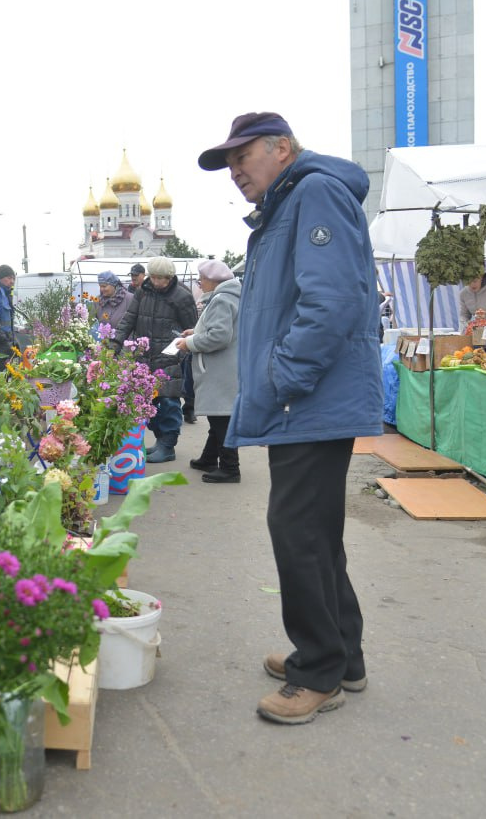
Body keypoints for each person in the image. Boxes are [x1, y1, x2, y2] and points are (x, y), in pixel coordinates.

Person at [199, 111, 382, 725]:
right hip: (307, 399)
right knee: (316, 533)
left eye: (242, 157)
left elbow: (330, 300)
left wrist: (285, 378)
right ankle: (342, 657)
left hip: (309, 398)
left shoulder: (315, 191)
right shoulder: (292, 201)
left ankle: (319, 669)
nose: (234, 172)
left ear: (282, 148)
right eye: (228, 163)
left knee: (297, 531)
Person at [111, 256, 198, 463]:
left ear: (171, 277)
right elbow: (129, 319)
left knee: (168, 401)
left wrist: (180, 351)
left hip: (169, 356)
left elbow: (193, 329)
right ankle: (160, 440)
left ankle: (168, 446)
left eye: (163, 278)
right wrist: (115, 344)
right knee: (148, 402)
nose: (158, 282)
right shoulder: (142, 292)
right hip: (144, 355)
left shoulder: (181, 297)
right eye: (155, 277)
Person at [175, 259, 242, 483]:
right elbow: (220, 328)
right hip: (226, 366)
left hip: (219, 367)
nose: (199, 283)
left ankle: (231, 468)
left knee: (220, 418)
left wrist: (190, 343)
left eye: (201, 279)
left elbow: (219, 336)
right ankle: (209, 458)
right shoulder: (229, 297)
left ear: (213, 280)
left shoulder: (221, 300)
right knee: (219, 415)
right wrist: (194, 332)